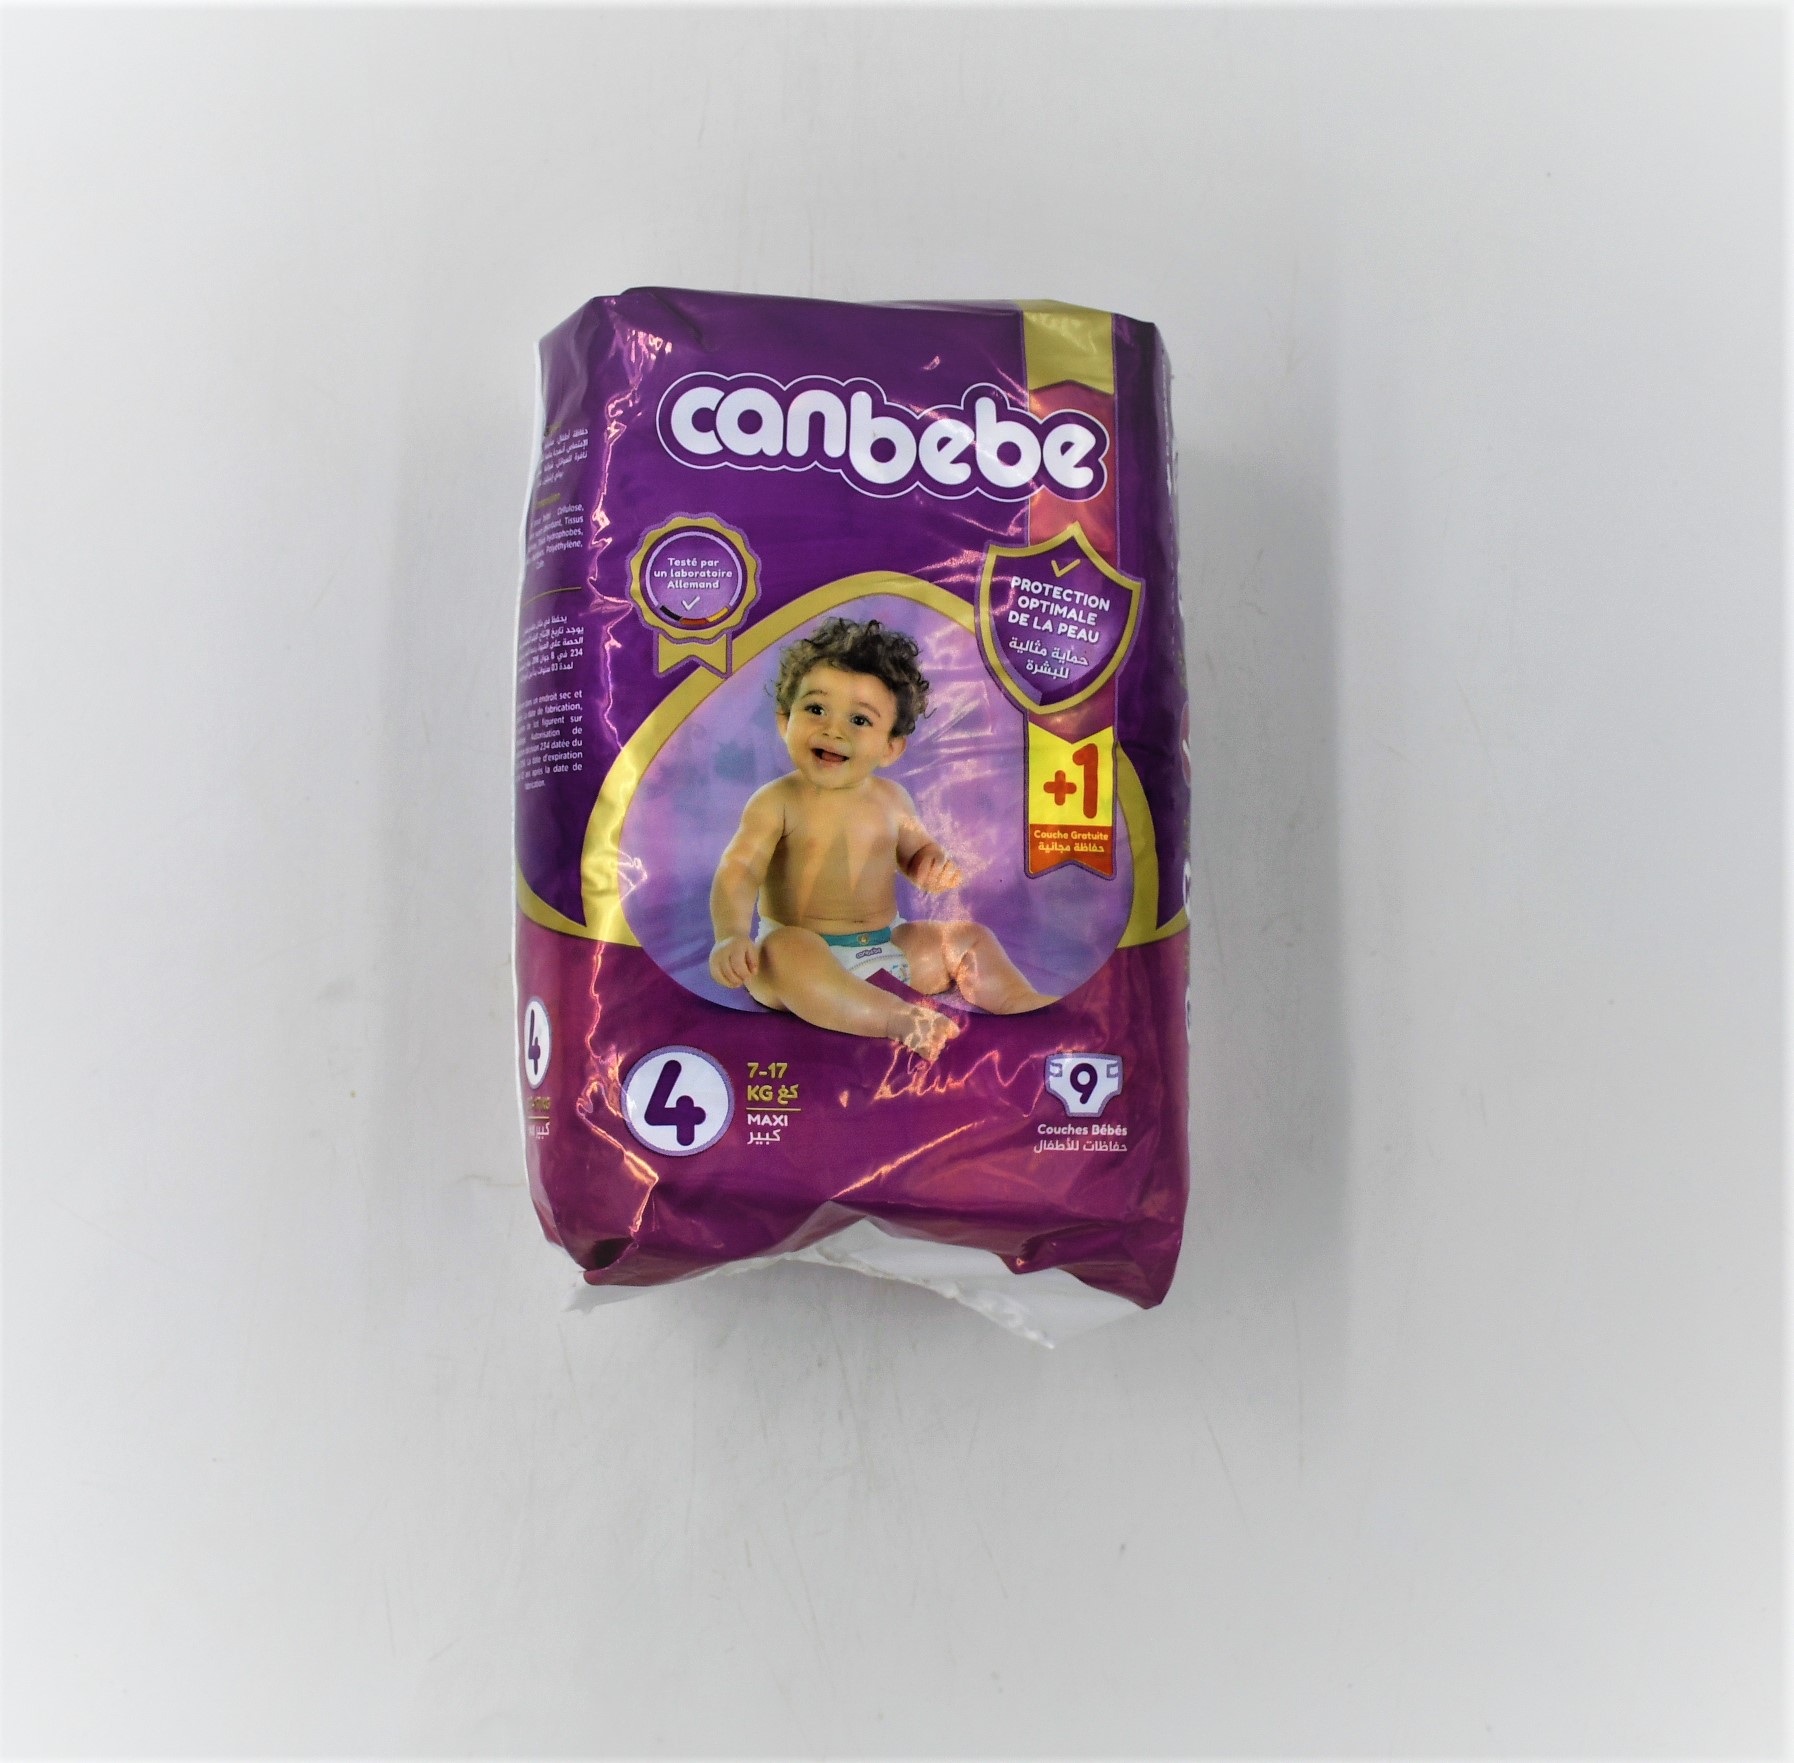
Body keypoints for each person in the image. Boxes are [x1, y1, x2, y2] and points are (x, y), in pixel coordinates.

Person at [709, 617, 1055, 1059]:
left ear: (891, 748)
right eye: (816, 710)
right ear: (784, 720)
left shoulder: (893, 799)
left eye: (859, 719)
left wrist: (930, 865)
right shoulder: (776, 801)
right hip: (804, 958)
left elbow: (917, 851)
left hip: (886, 949)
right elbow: (739, 869)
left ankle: (1021, 1005)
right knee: (783, 950)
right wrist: (731, 935)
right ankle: (894, 1017)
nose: (833, 730)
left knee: (969, 938)